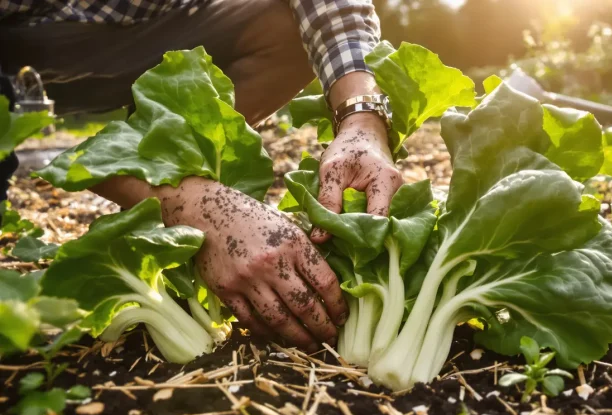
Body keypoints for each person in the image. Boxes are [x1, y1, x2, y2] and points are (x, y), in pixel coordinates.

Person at [0, 0, 403, 352]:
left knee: (287, 22)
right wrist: (191, 206)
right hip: (19, 39)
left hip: (159, 34)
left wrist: (361, 117)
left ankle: (171, 168)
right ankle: (173, 190)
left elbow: (333, 10)